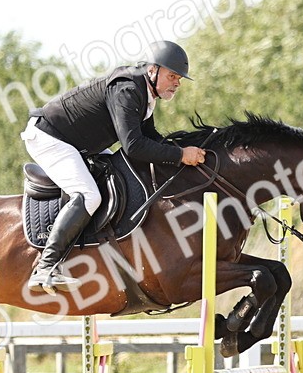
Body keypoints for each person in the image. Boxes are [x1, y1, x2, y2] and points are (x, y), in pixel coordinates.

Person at [21, 40, 207, 294]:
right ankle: (46, 267)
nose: (177, 82)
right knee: (89, 195)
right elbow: (133, 146)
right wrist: (180, 155)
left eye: (179, 78)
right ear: (153, 70)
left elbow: (150, 138)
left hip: (78, 142)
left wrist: (186, 154)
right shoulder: (128, 88)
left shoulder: (144, 93)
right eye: (173, 75)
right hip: (50, 137)